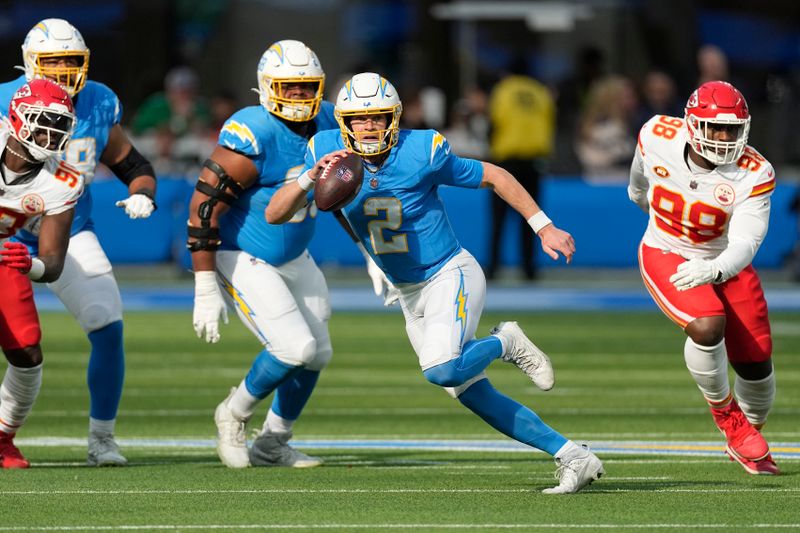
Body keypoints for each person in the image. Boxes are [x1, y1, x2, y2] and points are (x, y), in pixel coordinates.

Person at [266, 72, 604, 494]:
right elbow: (275, 214)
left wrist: (543, 226)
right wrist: (309, 181)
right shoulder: (323, 150)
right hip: (408, 292)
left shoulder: (422, 149)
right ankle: (574, 456)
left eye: (377, 118)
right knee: (469, 392)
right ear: (344, 123)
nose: (368, 128)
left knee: (441, 369)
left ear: (394, 118)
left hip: (448, 273)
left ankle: (507, 341)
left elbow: (496, 176)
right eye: (359, 119)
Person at [188, 40, 368, 469]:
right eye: (290, 88)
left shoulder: (328, 122)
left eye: (308, 88)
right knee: (294, 348)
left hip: (295, 254)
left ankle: (274, 441)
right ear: (268, 88)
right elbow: (204, 207)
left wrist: (366, 248)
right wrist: (204, 285)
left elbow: (339, 194)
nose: (301, 97)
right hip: (243, 253)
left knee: (318, 353)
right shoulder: (255, 131)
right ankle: (233, 413)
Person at [0, 18, 159, 466]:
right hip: (4, 230)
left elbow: (132, 163)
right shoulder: (2, 101)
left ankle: (102, 437)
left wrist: (142, 192)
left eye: (72, 60)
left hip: (67, 229)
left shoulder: (98, 101)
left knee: (107, 323)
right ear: (31, 64)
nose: (64, 70)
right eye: (53, 62)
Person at [629, 80, 779, 475]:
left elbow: (746, 243)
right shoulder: (656, 134)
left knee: (757, 367)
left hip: (725, 260)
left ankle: (746, 433)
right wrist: (639, 194)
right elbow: (638, 182)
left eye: (732, 129)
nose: (724, 137)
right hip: (667, 251)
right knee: (708, 325)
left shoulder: (754, 172)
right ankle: (727, 417)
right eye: (715, 127)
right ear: (692, 123)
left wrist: (714, 269)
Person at [0, 79, 83, 468]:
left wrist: (28, 265)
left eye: (59, 127)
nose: (51, 135)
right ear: (18, 117)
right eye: (43, 123)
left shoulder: (61, 182)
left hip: (1, 255)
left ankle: (2, 438)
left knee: (27, 348)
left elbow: (53, 262)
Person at [486, 62, 555, 280]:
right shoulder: (541, 92)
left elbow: (494, 121)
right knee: (531, 215)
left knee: (498, 219)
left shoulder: (504, 89)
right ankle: (529, 269)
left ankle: (494, 267)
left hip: (506, 160)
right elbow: (550, 122)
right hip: (533, 160)